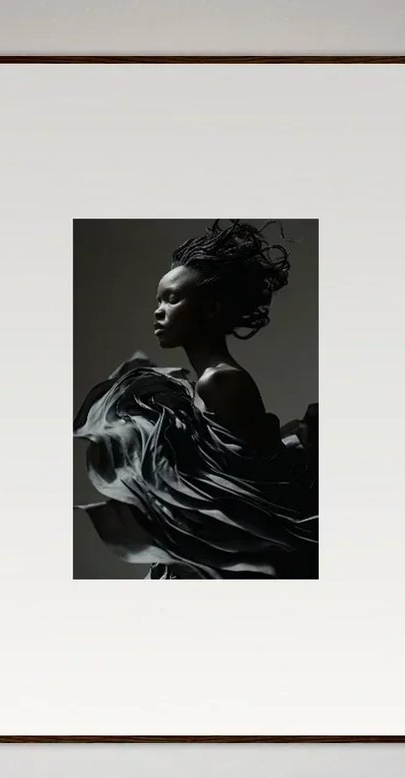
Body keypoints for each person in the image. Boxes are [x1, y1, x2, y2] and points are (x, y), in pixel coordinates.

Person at [75, 220, 317, 579]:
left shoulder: (221, 381)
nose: (158, 311)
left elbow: (251, 490)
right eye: (158, 300)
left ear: (211, 309)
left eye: (172, 299)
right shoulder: (206, 383)